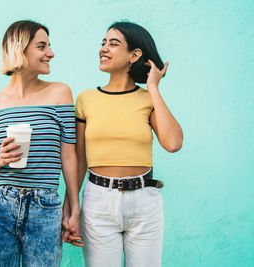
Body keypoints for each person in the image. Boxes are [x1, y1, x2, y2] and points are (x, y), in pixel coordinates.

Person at [63, 21, 183, 266]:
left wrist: (153, 88)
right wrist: (72, 209)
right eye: (103, 43)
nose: (104, 48)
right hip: (98, 201)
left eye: (113, 43)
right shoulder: (86, 99)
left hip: (144, 203)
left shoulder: (148, 98)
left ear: (135, 55)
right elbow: (79, 160)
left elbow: (173, 143)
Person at [0, 20, 81, 267]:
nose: (50, 53)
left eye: (49, 46)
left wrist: (74, 209)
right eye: (42, 47)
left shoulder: (60, 93)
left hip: (45, 206)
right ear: (19, 49)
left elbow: (69, 156)